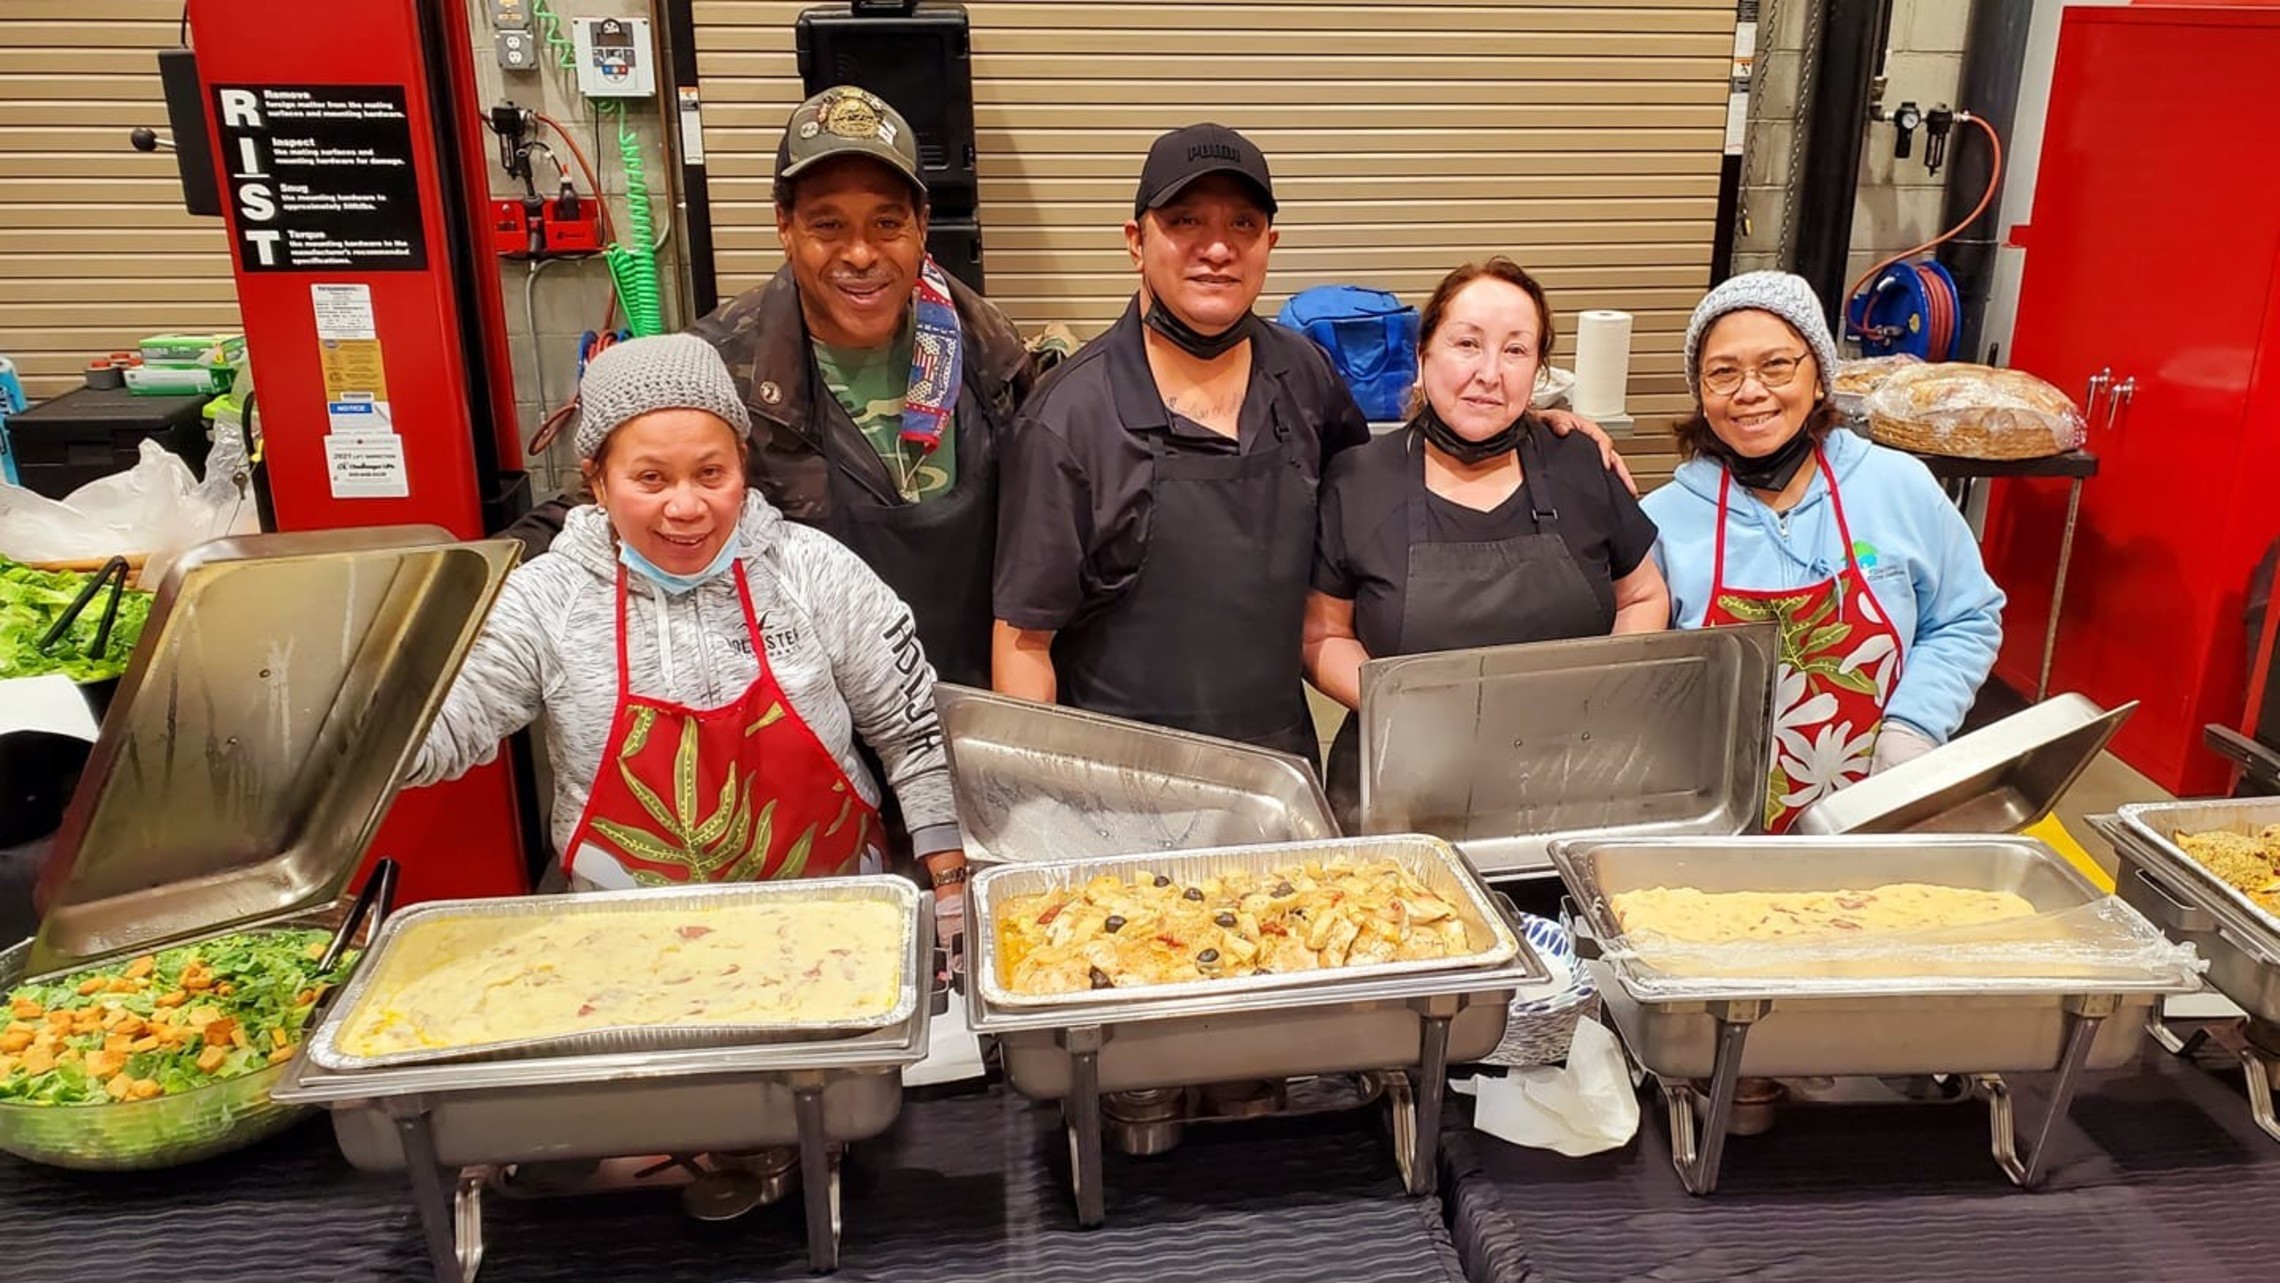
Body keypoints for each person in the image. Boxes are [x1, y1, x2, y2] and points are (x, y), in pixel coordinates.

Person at [991, 123, 1633, 764]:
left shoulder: (1302, 374)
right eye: (1185, 221)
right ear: (1137, 242)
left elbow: (1388, 483)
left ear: (1269, 244)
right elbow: (1023, 643)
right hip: (1122, 773)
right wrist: (1042, 798)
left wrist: (1539, 431)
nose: (1217, 248)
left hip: (1280, 766)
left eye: (1242, 225)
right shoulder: (1067, 419)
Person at [413, 334, 969, 940]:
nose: (687, 506)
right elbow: (437, 732)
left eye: (711, 474)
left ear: (741, 466)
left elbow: (915, 734)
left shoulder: (813, 571)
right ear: (597, 482)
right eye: (651, 479)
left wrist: (948, 884)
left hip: (839, 929)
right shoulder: (548, 600)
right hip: (626, 948)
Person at [508, 86, 1033, 692]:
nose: (860, 253)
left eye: (886, 223)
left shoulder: (984, 342)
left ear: (921, 226)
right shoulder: (723, 364)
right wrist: (475, 583)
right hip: (811, 722)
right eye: (827, 225)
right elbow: (614, 505)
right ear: (785, 226)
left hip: (974, 699)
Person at [1303, 258, 1670, 824]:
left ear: (1538, 370)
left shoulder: (1579, 464)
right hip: (1400, 792)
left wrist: (1603, 685)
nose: (1489, 372)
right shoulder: (1357, 480)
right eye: (1467, 344)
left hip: (1569, 787)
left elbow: (1643, 597)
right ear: (1423, 356)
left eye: (1516, 350)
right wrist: (1408, 708)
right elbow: (1320, 635)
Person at [1642, 272, 2004, 832]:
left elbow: (1966, 617)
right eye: (1723, 373)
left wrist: (1915, 728)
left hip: (1879, 813)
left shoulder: (1898, 487)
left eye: (1776, 366)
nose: (1750, 391)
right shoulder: (1663, 521)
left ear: (1818, 378)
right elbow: (1642, 684)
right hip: (1715, 826)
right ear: (1701, 393)